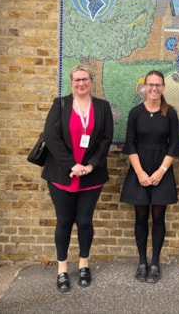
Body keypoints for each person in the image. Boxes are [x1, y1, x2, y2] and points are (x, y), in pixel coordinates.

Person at [42, 64, 113, 293]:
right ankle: (62, 268)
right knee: (64, 222)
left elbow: (106, 139)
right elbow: (51, 138)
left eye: (85, 79)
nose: (81, 83)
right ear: (71, 82)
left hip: (91, 177)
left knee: (84, 221)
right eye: (76, 80)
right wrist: (72, 165)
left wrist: (90, 165)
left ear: (91, 81)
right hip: (62, 174)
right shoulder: (60, 104)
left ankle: (83, 264)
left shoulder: (102, 107)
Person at [120, 70, 179, 284]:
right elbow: (130, 144)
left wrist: (160, 172)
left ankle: (155, 262)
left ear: (163, 87)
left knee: (158, 217)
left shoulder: (171, 114)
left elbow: (174, 146)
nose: (154, 88)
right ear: (144, 87)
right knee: (140, 217)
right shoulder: (135, 113)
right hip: (139, 169)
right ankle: (141, 262)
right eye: (150, 85)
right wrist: (140, 172)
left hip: (161, 170)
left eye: (158, 85)